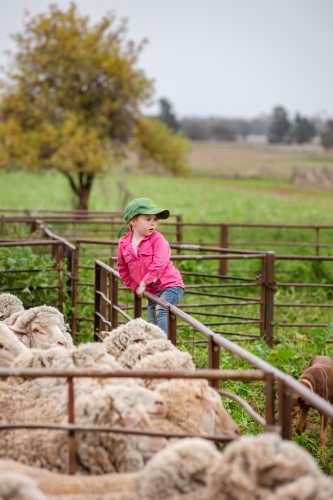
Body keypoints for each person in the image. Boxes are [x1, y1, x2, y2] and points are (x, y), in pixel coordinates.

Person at [117, 197, 185, 334]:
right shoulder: (124, 244)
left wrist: (144, 282)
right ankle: (154, 349)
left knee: (161, 310)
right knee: (151, 322)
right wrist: (135, 287)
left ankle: (163, 347)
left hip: (169, 285)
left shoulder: (157, 239)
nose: (152, 223)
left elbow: (159, 262)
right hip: (151, 291)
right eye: (148, 219)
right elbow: (123, 269)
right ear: (133, 220)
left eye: (155, 219)